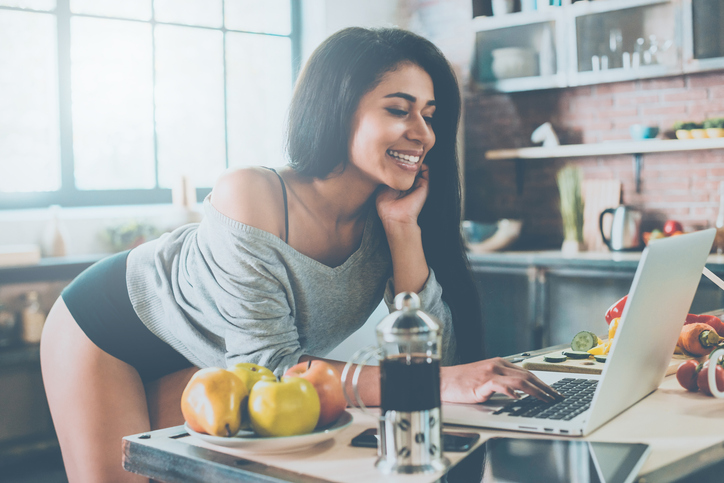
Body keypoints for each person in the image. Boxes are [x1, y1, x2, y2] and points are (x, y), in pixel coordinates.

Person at [40, 27, 561, 482]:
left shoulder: (389, 214)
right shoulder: (252, 194)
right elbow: (270, 363)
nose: (423, 133)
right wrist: (432, 380)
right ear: (338, 108)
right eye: (399, 109)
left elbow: (435, 358)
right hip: (110, 333)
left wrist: (403, 230)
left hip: (218, 357)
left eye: (429, 114)